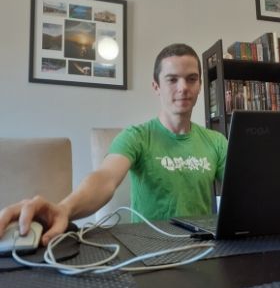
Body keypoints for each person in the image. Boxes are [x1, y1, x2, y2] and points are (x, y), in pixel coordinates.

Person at [0, 43, 227, 246]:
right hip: (149, 248)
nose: (183, 87)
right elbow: (105, 179)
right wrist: (64, 209)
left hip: (201, 247)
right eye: (172, 79)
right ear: (156, 86)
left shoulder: (216, 141)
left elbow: (242, 191)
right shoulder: (136, 136)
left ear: (199, 86)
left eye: (191, 79)